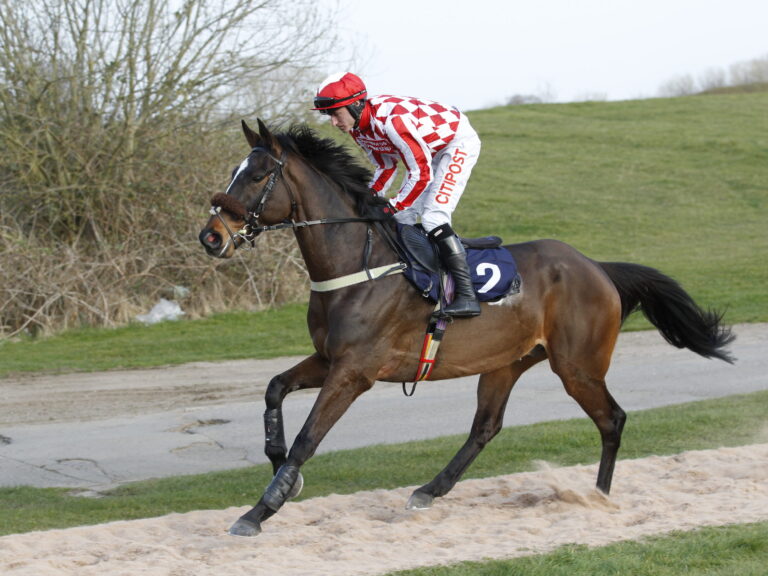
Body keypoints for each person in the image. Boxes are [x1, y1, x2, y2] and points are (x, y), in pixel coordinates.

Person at [312, 72, 482, 318]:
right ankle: (417, 287)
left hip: (456, 144)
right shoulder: (358, 129)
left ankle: (467, 296)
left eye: (336, 113)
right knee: (401, 220)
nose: (334, 123)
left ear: (356, 104)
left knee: (434, 216)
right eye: (329, 115)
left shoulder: (392, 122)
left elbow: (421, 174)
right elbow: (386, 167)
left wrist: (390, 206)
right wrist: (367, 199)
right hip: (430, 151)